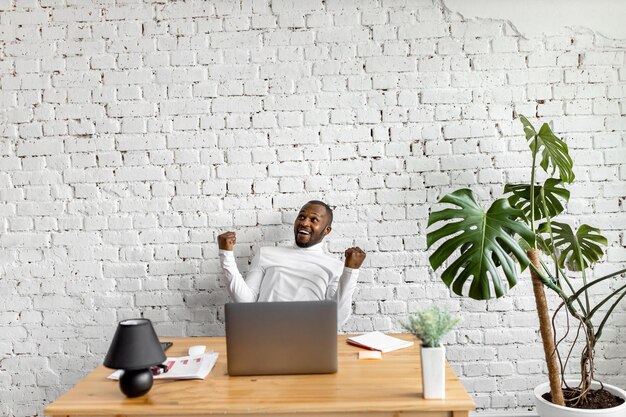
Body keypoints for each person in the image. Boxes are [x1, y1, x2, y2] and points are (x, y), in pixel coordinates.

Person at [218, 200, 366, 327]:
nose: (304, 223)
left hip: (308, 339)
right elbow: (245, 302)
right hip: (263, 334)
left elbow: (336, 319)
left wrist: (351, 271)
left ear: (326, 230)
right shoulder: (266, 253)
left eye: (314, 220)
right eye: (301, 217)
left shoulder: (335, 266)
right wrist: (226, 254)